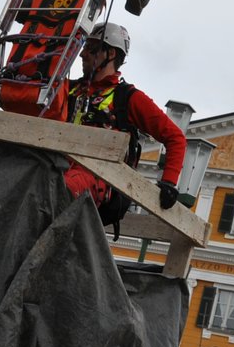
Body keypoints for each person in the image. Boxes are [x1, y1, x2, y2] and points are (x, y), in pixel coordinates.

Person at [62, 23, 188, 212]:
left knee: (62, 188)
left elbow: (175, 137)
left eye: (90, 48)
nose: (82, 54)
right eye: (84, 47)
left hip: (97, 175)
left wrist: (169, 182)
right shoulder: (67, 88)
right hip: (57, 164)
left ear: (110, 54)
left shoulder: (127, 97)